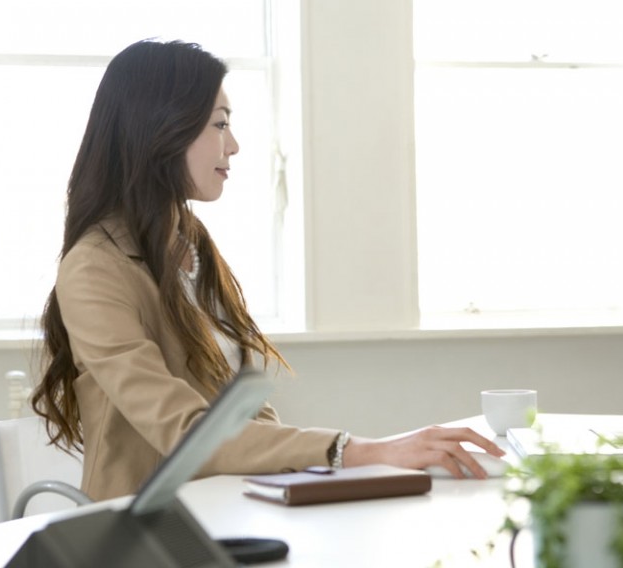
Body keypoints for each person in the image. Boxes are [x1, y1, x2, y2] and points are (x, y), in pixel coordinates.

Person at [32, 39, 504, 502]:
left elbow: (242, 412)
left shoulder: (190, 241)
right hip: (147, 527)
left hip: (228, 504)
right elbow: (185, 431)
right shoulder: (94, 270)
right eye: (220, 124)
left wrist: (320, 475)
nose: (234, 145)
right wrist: (357, 451)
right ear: (162, 129)